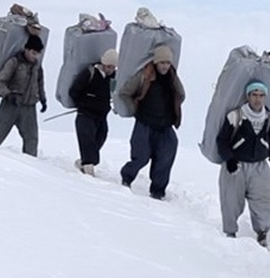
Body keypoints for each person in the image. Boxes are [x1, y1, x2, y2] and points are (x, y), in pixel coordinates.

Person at [216, 81, 270, 247]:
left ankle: (262, 232)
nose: (258, 99)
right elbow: (222, 141)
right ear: (248, 96)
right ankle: (230, 232)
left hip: (260, 165)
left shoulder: (269, 119)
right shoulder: (235, 116)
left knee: (264, 199)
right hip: (236, 165)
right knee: (231, 199)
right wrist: (230, 160)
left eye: (261, 95)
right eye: (254, 95)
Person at [119, 45, 185, 200]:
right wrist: (134, 109)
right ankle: (126, 177)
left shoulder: (172, 78)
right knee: (141, 157)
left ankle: (158, 191)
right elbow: (125, 92)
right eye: (162, 62)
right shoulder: (144, 75)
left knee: (166, 157)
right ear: (156, 62)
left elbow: (181, 94)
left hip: (165, 126)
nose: (165, 66)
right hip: (145, 123)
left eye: (167, 63)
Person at [0, 34, 48, 156]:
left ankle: (30, 168)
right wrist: (8, 94)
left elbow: (40, 83)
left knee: (32, 139)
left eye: (37, 53)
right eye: (33, 52)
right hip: (10, 105)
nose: (35, 56)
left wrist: (43, 99)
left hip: (29, 108)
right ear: (26, 49)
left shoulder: (37, 66)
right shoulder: (14, 62)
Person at [70, 48, 118, 176]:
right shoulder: (89, 73)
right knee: (87, 141)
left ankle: (84, 163)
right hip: (85, 114)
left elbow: (115, 93)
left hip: (102, 116)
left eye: (113, 67)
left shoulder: (113, 78)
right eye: (109, 66)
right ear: (103, 63)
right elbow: (74, 91)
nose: (110, 70)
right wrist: (83, 104)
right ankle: (88, 172)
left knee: (100, 139)